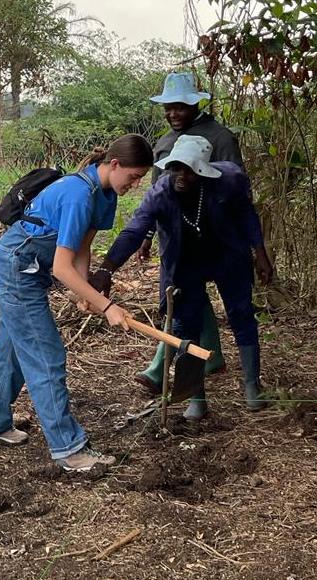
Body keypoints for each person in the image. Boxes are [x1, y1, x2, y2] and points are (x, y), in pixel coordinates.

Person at [0, 134, 154, 472]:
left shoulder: (106, 195)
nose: (136, 184)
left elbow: (81, 249)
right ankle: (68, 448)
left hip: (30, 270)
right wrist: (106, 306)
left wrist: (82, 291)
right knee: (45, 353)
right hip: (16, 268)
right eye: (134, 176)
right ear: (114, 164)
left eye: (141, 178)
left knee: (13, 347)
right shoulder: (78, 195)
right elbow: (61, 267)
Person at [93, 135, 273, 420]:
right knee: (187, 326)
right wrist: (106, 269)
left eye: (189, 170)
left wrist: (260, 253)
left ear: (203, 171)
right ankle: (196, 398)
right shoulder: (161, 192)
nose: (181, 176)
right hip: (186, 261)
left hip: (228, 254)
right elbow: (133, 231)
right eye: (176, 168)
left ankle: (252, 386)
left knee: (241, 314)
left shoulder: (230, 180)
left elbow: (247, 214)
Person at [128, 72, 245, 396]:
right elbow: (155, 197)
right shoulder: (165, 144)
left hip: (214, 238)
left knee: (196, 300)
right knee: (182, 297)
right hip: (176, 237)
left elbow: (236, 189)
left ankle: (163, 366)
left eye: (180, 107)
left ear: (195, 104)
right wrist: (147, 235)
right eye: (169, 107)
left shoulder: (220, 137)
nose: (173, 113)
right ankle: (206, 359)